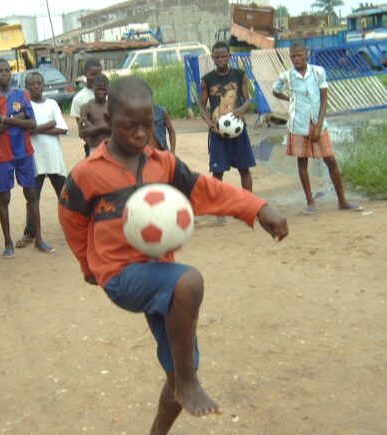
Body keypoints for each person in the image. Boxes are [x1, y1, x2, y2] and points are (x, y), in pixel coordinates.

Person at [58, 77, 288, 434]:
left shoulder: (162, 164)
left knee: (180, 370)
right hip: (121, 275)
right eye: (127, 125)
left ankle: (174, 400)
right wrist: (87, 265)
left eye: (146, 125)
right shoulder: (88, 173)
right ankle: (187, 382)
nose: (138, 133)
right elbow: (71, 219)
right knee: (189, 282)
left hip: (159, 274)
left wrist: (257, 207)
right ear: (110, 121)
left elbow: (206, 190)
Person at [272, 41, 362, 215]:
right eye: (292, 56)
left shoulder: (318, 72)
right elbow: (275, 90)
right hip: (298, 124)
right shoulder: (287, 76)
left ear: (307, 54)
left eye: (299, 55)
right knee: (302, 163)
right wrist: (290, 99)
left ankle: (342, 200)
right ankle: (310, 202)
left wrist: (319, 125)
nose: (296, 59)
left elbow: (323, 98)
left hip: (317, 122)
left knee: (331, 160)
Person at [0, 59, 54, 259]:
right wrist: (18, 117)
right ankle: (8, 243)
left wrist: (5, 118)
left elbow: (31, 123)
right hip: (4, 155)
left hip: (24, 153)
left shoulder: (22, 94)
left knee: (31, 195)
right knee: (4, 197)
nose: (4, 74)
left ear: (11, 73)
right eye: (0, 71)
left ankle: (39, 239)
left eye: (7, 70)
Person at [17, 72, 68, 247]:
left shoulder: (52, 104)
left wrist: (36, 129)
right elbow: (25, 131)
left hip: (54, 157)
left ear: (44, 85)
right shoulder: (25, 106)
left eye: (39, 83)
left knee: (65, 195)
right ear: (27, 86)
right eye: (32, 84)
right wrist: (48, 125)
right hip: (34, 158)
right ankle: (30, 233)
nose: (36, 86)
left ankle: (72, 227)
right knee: (33, 198)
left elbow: (63, 129)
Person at [199, 42, 255, 195]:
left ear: (230, 56)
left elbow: (248, 100)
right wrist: (210, 123)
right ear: (212, 58)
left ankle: (249, 203)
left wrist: (242, 109)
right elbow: (202, 106)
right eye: (217, 57)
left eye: (224, 56)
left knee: (244, 169)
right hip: (218, 133)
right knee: (218, 172)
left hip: (238, 130)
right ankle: (219, 209)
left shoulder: (239, 75)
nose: (220, 60)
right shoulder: (207, 80)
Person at [70, 60, 103, 157]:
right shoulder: (79, 99)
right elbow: (82, 127)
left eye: (99, 74)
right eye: (92, 74)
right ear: (85, 74)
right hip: (92, 145)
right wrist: (94, 145)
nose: (96, 78)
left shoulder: (109, 94)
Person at [79, 73, 110, 153]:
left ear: (108, 88)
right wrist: (102, 127)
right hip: (95, 149)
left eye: (104, 89)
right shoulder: (86, 108)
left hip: (112, 150)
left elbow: (116, 129)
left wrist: (92, 127)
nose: (101, 92)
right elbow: (82, 132)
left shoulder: (113, 106)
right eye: (98, 89)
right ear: (92, 88)